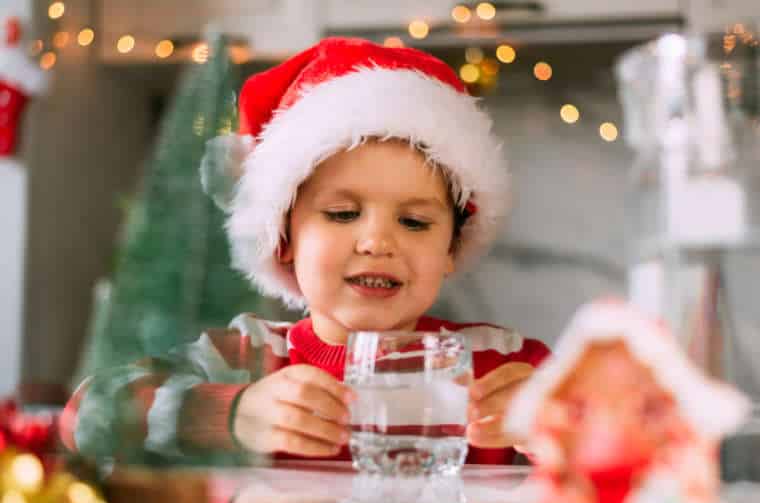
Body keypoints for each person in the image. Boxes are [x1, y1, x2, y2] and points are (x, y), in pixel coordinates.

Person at [59, 37, 549, 464]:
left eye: (415, 221)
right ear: (285, 237)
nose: (377, 241)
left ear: (451, 248)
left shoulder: (497, 359)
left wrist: (550, 422)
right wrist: (232, 414)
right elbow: (87, 414)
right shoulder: (247, 356)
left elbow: (622, 433)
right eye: (341, 214)